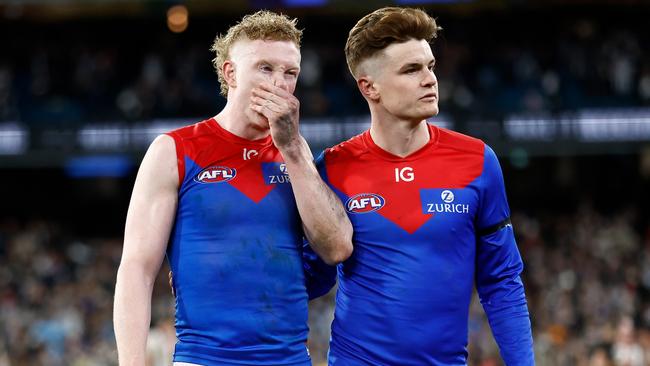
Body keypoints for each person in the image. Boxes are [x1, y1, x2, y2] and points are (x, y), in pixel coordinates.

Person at [113, 11, 353, 366]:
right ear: (230, 73)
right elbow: (137, 268)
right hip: (203, 358)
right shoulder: (176, 151)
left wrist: (293, 151)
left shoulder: (302, 158)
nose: (279, 84)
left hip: (289, 359)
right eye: (265, 68)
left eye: (290, 73)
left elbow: (336, 248)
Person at [315, 7, 534, 365]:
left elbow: (502, 281)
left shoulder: (478, 161)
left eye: (430, 66)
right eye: (411, 70)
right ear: (369, 87)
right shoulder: (333, 168)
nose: (430, 79)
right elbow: (314, 279)